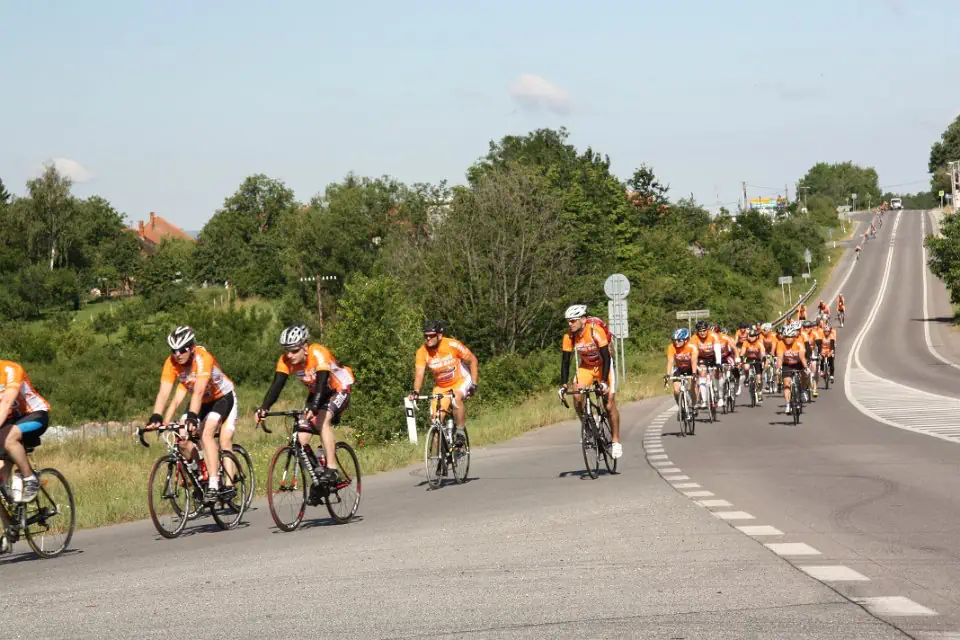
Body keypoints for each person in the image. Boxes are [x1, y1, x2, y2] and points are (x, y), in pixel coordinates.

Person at [145, 326, 239, 504]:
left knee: (206, 433)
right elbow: (164, 393)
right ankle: (201, 475)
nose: (177, 354)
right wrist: (156, 416)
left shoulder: (203, 358)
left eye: (182, 350)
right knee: (182, 437)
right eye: (173, 350)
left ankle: (214, 484)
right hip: (201, 402)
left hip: (221, 397)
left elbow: (198, 391)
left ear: (192, 348)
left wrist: (192, 416)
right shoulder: (171, 363)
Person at [256, 324, 354, 489]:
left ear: (305, 348)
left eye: (294, 351)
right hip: (317, 392)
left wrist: (314, 407)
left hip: (339, 388)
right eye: (287, 350)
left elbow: (322, 381)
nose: (290, 355)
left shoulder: (318, 353)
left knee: (322, 419)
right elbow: (277, 385)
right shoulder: (285, 360)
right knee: (300, 438)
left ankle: (332, 469)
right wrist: (264, 408)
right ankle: (319, 478)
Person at [559, 304, 621, 458]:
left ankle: (615, 442)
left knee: (609, 404)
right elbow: (565, 361)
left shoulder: (595, 331)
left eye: (573, 320)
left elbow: (606, 357)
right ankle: (587, 426)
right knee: (577, 395)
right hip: (586, 367)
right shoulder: (569, 336)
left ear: (583, 320)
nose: (570, 324)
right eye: (568, 321)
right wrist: (563, 384)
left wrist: (604, 382)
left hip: (603, 367)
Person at [409, 320, 478, 448]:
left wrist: (474, 384)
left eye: (431, 336)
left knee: (455, 398)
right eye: (425, 336)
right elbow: (419, 374)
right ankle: (439, 457)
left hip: (461, 380)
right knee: (435, 422)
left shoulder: (452, 344)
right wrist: (416, 391)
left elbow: (473, 360)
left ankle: (460, 432)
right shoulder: (422, 352)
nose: (428, 338)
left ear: (439, 335)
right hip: (441, 387)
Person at [691, 320, 723, 410]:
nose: (702, 333)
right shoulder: (694, 338)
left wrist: (718, 363)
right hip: (702, 358)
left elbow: (717, 350)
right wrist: (695, 366)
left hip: (713, 356)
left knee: (718, 374)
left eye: (704, 330)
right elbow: (694, 353)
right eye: (700, 331)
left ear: (707, 330)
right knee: (702, 374)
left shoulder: (713, 335)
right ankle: (704, 401)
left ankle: (720, 396)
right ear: (697, 331)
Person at [776, 325, 808, 414]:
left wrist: (806, 368)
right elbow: (780, 358)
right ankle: (788, 404)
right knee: (787, 384)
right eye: (786, 337)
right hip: (787, 365)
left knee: (804, 375)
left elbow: (802, 357)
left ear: (794, 337)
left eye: (790, 337)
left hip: (798, 364)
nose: (788, 339)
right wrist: (778, 368)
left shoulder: (799, 343)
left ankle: (803, 390)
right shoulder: (780, 343)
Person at [665, 328, 699, 411]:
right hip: (679, 368)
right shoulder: (671, 347)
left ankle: (694, 405)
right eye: (674, 340)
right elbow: (670, 361)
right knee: (676, 390)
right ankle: (681, 408)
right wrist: (667, 375)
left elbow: (694, 361)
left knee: (694, 386)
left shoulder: (692, 347)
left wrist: (694, 373)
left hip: (691, 368)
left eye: (679, 340)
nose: (676, 342)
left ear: (686, 340)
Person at [739, 328, 766, 404]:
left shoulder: (759, 343)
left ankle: (759, 392)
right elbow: (743, 351)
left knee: (759, 378)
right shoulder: (746, 342)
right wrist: (741, 356)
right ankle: (747, 378)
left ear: (756, 336)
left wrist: (763, 358)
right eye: (750, 336)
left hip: (757, 360)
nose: (751, 338)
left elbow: (762, 351)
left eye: (753, 336)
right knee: (746, 367)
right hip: (749, 359)